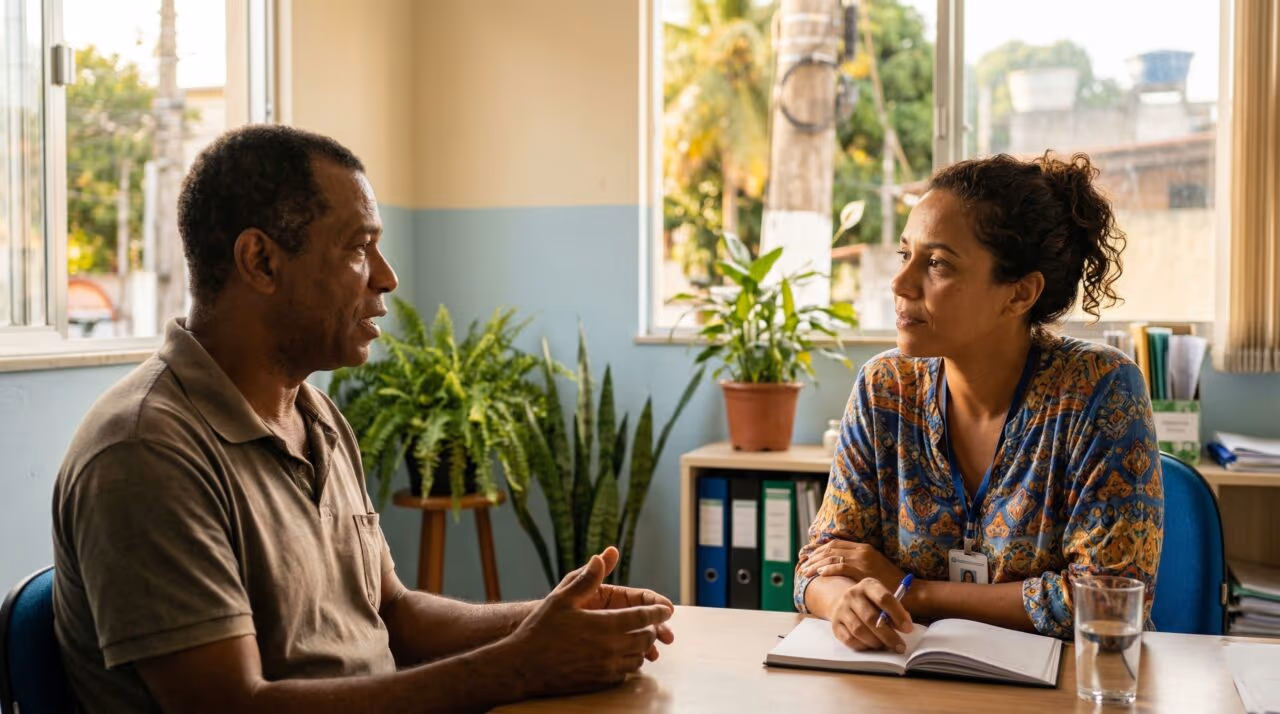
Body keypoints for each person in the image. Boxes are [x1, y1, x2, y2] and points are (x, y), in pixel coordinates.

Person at [51, 125, 674, 713]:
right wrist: (520, 665)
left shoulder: (314, 415)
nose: (387, 277)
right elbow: (233, 708)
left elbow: (393, 612)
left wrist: (559, 620)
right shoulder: (143, 452)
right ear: (261, 262)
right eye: (358, 248)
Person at [794, 152, 1163, 654]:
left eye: (937, 263)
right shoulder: (885, 387)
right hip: (906, 689)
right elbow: (819, 565)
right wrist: (844, 603)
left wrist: (911, 590)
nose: (901, 284)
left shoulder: (1100, 390)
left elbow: (1107, 601)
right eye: (906, 255)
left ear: (1019, 294)